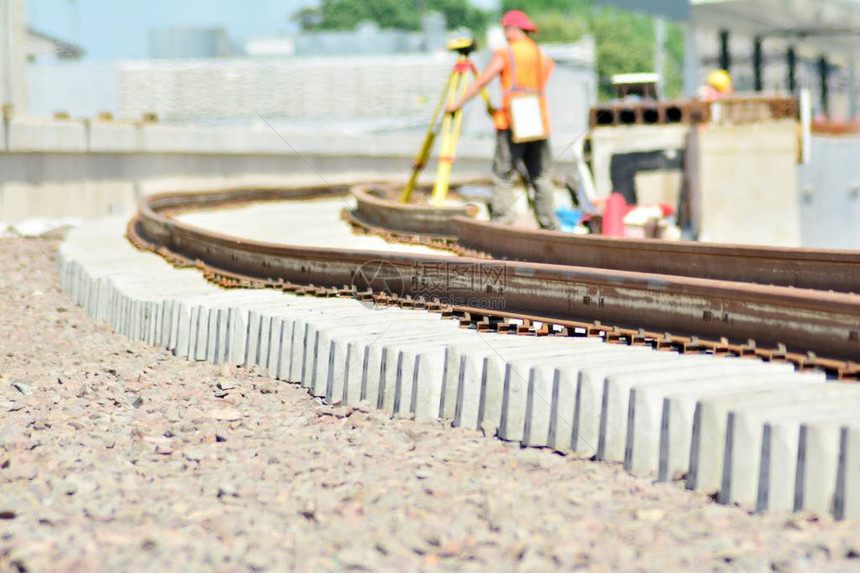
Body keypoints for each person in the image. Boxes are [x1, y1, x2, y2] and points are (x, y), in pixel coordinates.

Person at [446, 10, 558, 229]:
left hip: (511, 120)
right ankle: (549, 225)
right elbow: (547, 72)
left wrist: (457, 104)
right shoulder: (538, 52)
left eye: (506, 28)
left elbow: (482, 81)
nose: (505, 33)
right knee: (541, 176)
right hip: (536, 118)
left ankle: (504, 223)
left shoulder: (506, 53)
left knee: (503, 175)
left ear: (513, 28)